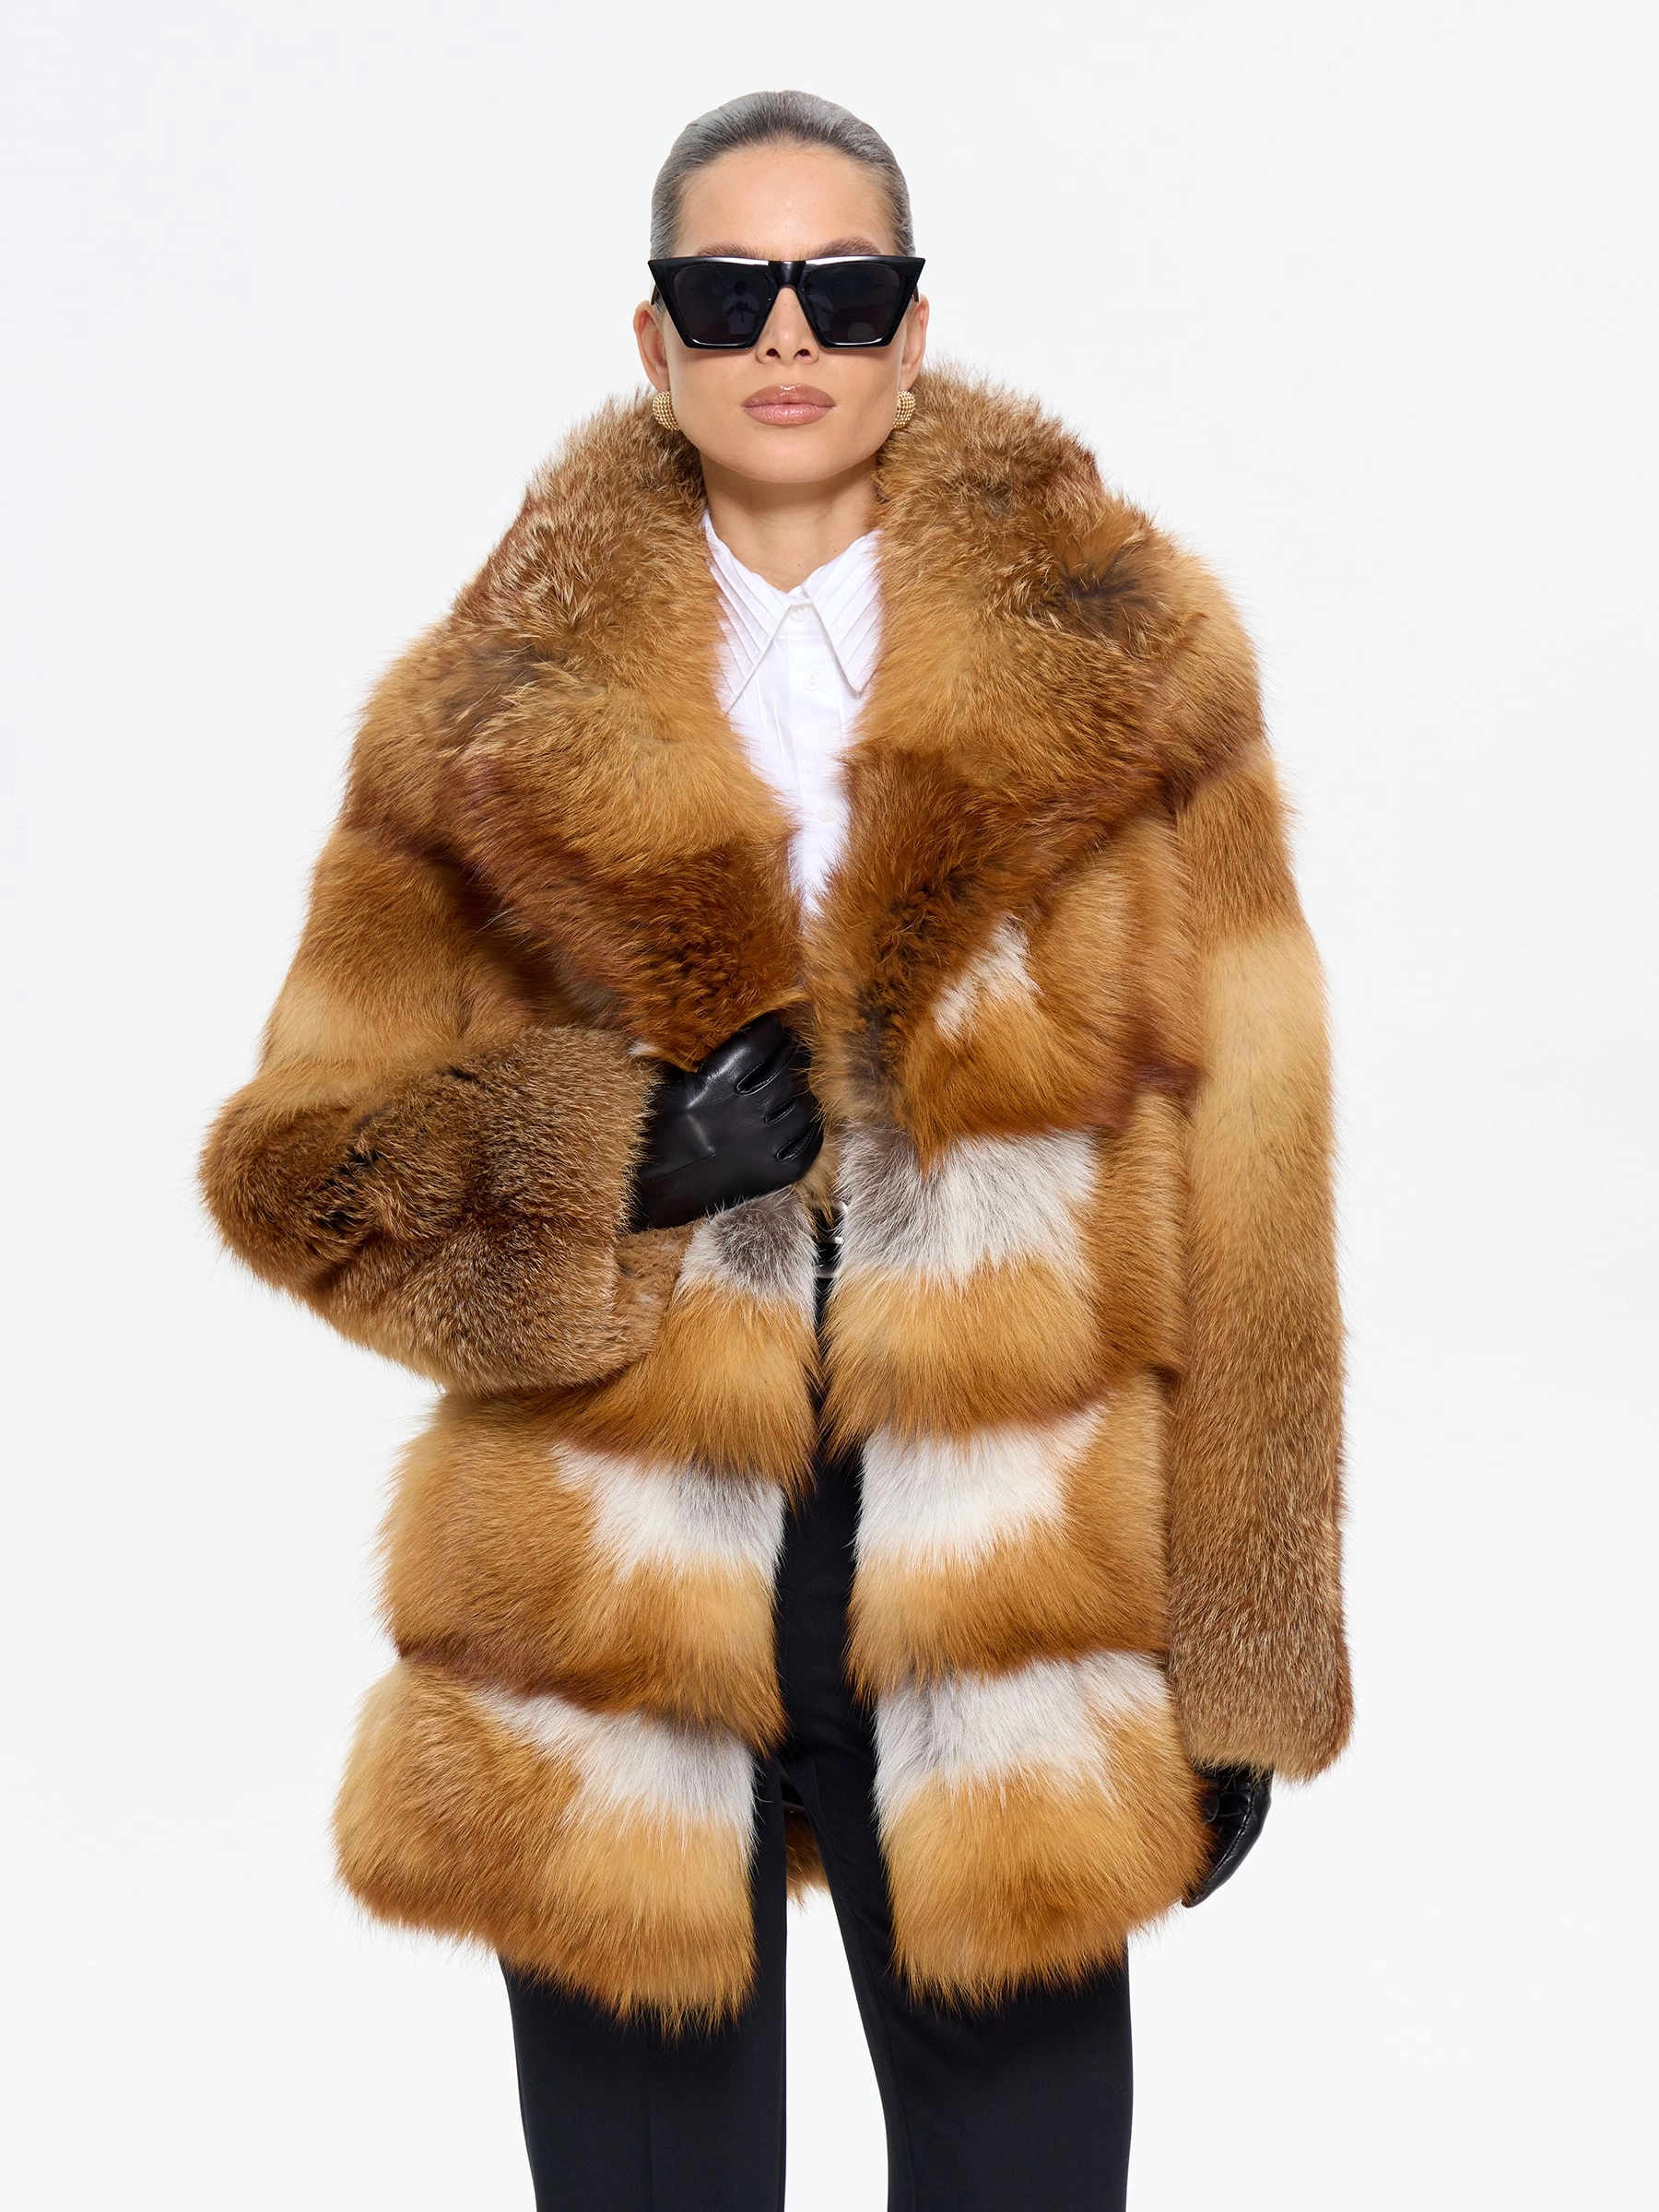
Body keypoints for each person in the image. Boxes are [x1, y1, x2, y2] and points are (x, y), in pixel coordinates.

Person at [203, 88, 1350, 2212]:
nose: (789, 335)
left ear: (914, 325)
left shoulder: (1134, 671)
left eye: (843, 286)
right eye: (732, 295)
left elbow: (1257, 1172)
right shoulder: (482, 713)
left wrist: (1248, 1648)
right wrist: (607, 1165)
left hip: (1014, 1571)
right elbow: (298, 1164)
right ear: (656, 340)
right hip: (607, 1574)